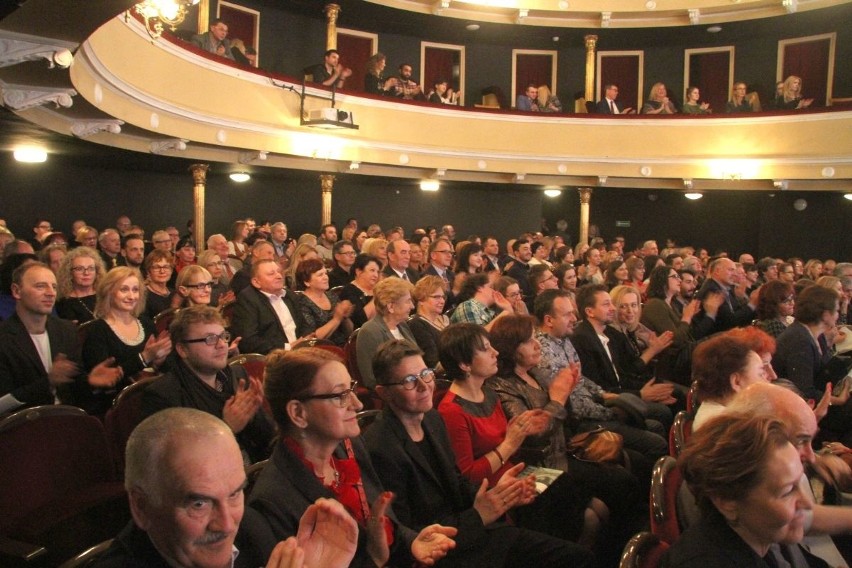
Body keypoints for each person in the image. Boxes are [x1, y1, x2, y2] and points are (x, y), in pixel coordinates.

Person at [365, 339, 595, 567]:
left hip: (470, 529)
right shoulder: (380, 446)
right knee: (576, 558)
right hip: (446, 550)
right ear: (383, 393)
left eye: (425, 373)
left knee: (566, 503)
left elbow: (457, 482)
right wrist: (479, 514)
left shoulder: (432, 419)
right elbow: (407, 533)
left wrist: (499, 494)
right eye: (409, 381)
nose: (424, 386)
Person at [242, 348, 458, 567]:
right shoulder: (272, 502)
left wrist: (411, 541)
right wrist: (375, 558)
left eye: (351, 389)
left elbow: (380, 523)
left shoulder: (348, 446)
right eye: (340, 396)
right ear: (298, 413)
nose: (357, 404)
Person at [95, 407, 358, 568]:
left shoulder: (253, 530)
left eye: (234, 494)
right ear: (141, 507)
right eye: (199, 504)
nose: (227, 524)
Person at [661, 414, 812, 567]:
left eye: (799, 482)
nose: (807, 503)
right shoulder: (706, 562)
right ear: (726, 501)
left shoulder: (761, 535)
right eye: (787, 492)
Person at [0, 262, 122, 414]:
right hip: (24, 424)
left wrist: (90, 381)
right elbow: (3, 403)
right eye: (40, 286)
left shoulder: (66, 330)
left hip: (68, 416)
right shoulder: (4, 337)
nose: (51, 293)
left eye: (54, 287)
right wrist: (48, 382)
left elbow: (74, 386)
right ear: (17, 291)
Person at [81, 266, 172, 415]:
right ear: (109, 292)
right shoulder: (98, 330)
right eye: (124, 290)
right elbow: (105, 378)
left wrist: (159, 360)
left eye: (135, 290)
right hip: (118, 406)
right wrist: (144, 358)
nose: (131, 296)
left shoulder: (146, 323)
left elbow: (166, 368)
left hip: (152, 397)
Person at [691, 334, 770, 430]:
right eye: (761, 374)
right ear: (736, 382)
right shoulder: (730, 427)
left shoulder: (719, 413)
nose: (769, 379)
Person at [230, 259, 309, 355]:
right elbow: (248, 340)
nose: (279, 276)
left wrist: (304, 341)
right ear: (256, 282)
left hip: (301, 353)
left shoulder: (290, 295)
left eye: (279, 272)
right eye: (271, 274)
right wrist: (288, 347)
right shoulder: (247, 300)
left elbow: (304, 326)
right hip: (272, 358)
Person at [355, 277, 418, 389]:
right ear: (391, 307)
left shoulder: (402, 325)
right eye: (408, 301)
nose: (412, 306)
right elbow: (371, 379)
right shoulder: (369, 332)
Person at [295, 258, 353, 347]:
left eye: (325, 273)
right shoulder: (302, 302)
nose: (326, 277)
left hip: (343, 345)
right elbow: (312, 338)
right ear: (307, 282)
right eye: (320, 275)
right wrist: (336, 319)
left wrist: (345, 316)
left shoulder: (332, 295)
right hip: (321, 350)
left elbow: (349, 331)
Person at [55, 246, 107, 324]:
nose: (86, 273)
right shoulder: (63, 303)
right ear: (69, 272)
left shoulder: (105, 295)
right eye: (79, 269)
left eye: (91, 268)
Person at [407, 276, 449, 369]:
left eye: (443, 297)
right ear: (421, 300)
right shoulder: (417, 324)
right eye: (436, 297)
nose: (442, 301)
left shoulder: (445, 319)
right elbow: (433, 363)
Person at [450, 273, 514, 330]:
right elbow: (478, 336)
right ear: (479, 287)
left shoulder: (490, 311)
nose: (495, 291)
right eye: (491, 287)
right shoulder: (468, 306)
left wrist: (508, 308)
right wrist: (506, 312)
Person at [338, 253, 380, 329]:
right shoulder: (349, 291)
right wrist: (378, 296)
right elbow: (361, 321)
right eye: (372, 270)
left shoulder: (377, 289)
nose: (376, 275)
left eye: (377, 271)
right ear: (358, 272)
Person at [143, 249, 175, 320]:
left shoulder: (174, 294)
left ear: (171, 270)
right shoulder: (143, 295)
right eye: (157, 267)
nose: (162, 271)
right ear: (148, 271)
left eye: (166, 267)